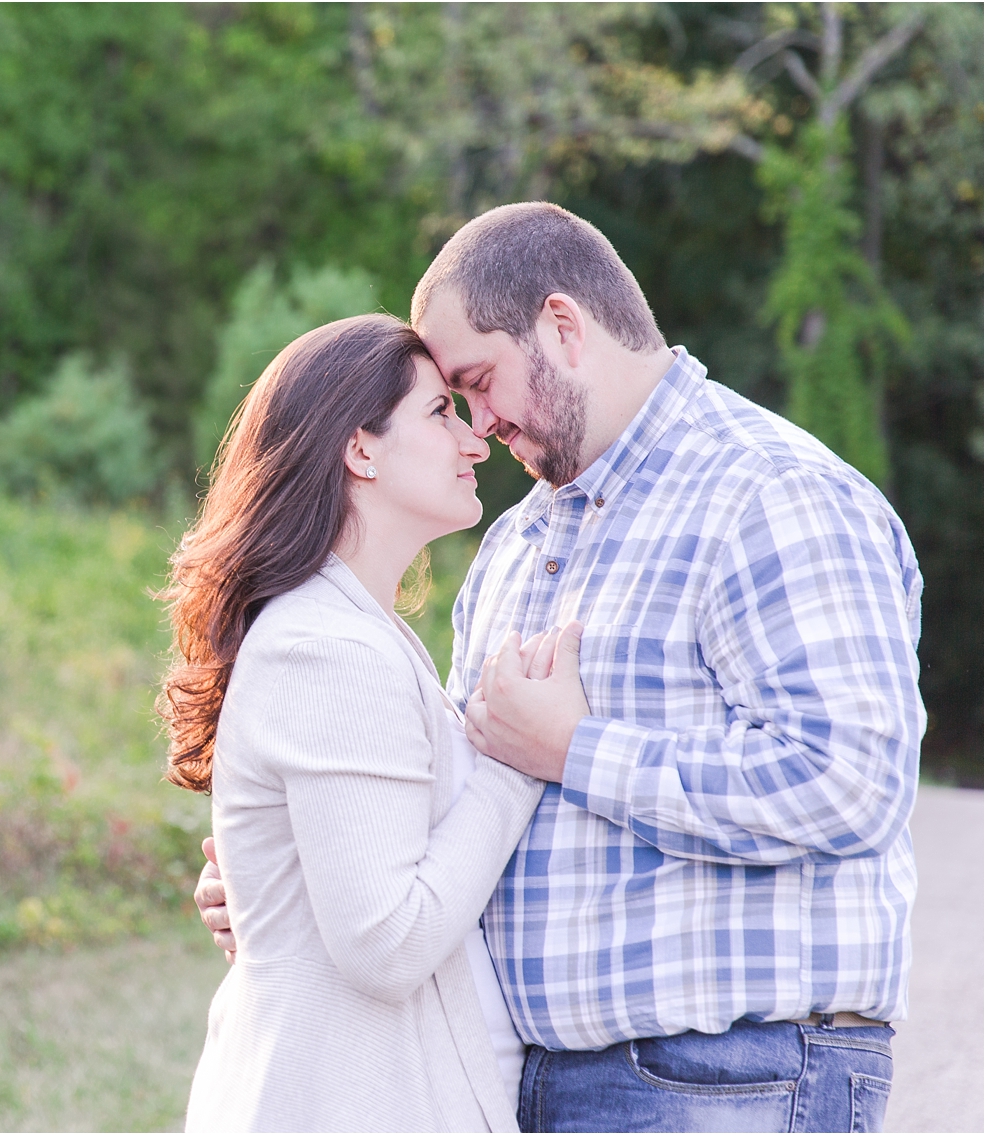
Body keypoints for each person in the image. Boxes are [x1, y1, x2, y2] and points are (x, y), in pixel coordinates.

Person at [195, 202, 924, 1133]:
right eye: (451, 403)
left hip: (728, 1078)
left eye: (480, 382)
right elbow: (455, 803)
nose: (480, 425)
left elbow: (849, 780)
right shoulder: (513, 547)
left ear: (564, 327)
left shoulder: (773, 495)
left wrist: (576, 749)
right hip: (525, 1084)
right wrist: (298, 874)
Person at [160, 313, 550, 1132]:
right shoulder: (327, 648)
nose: (475, 441)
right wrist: (519, 764)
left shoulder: (355, 632)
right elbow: (389, 941)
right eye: (441, 412)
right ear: (360, 448)